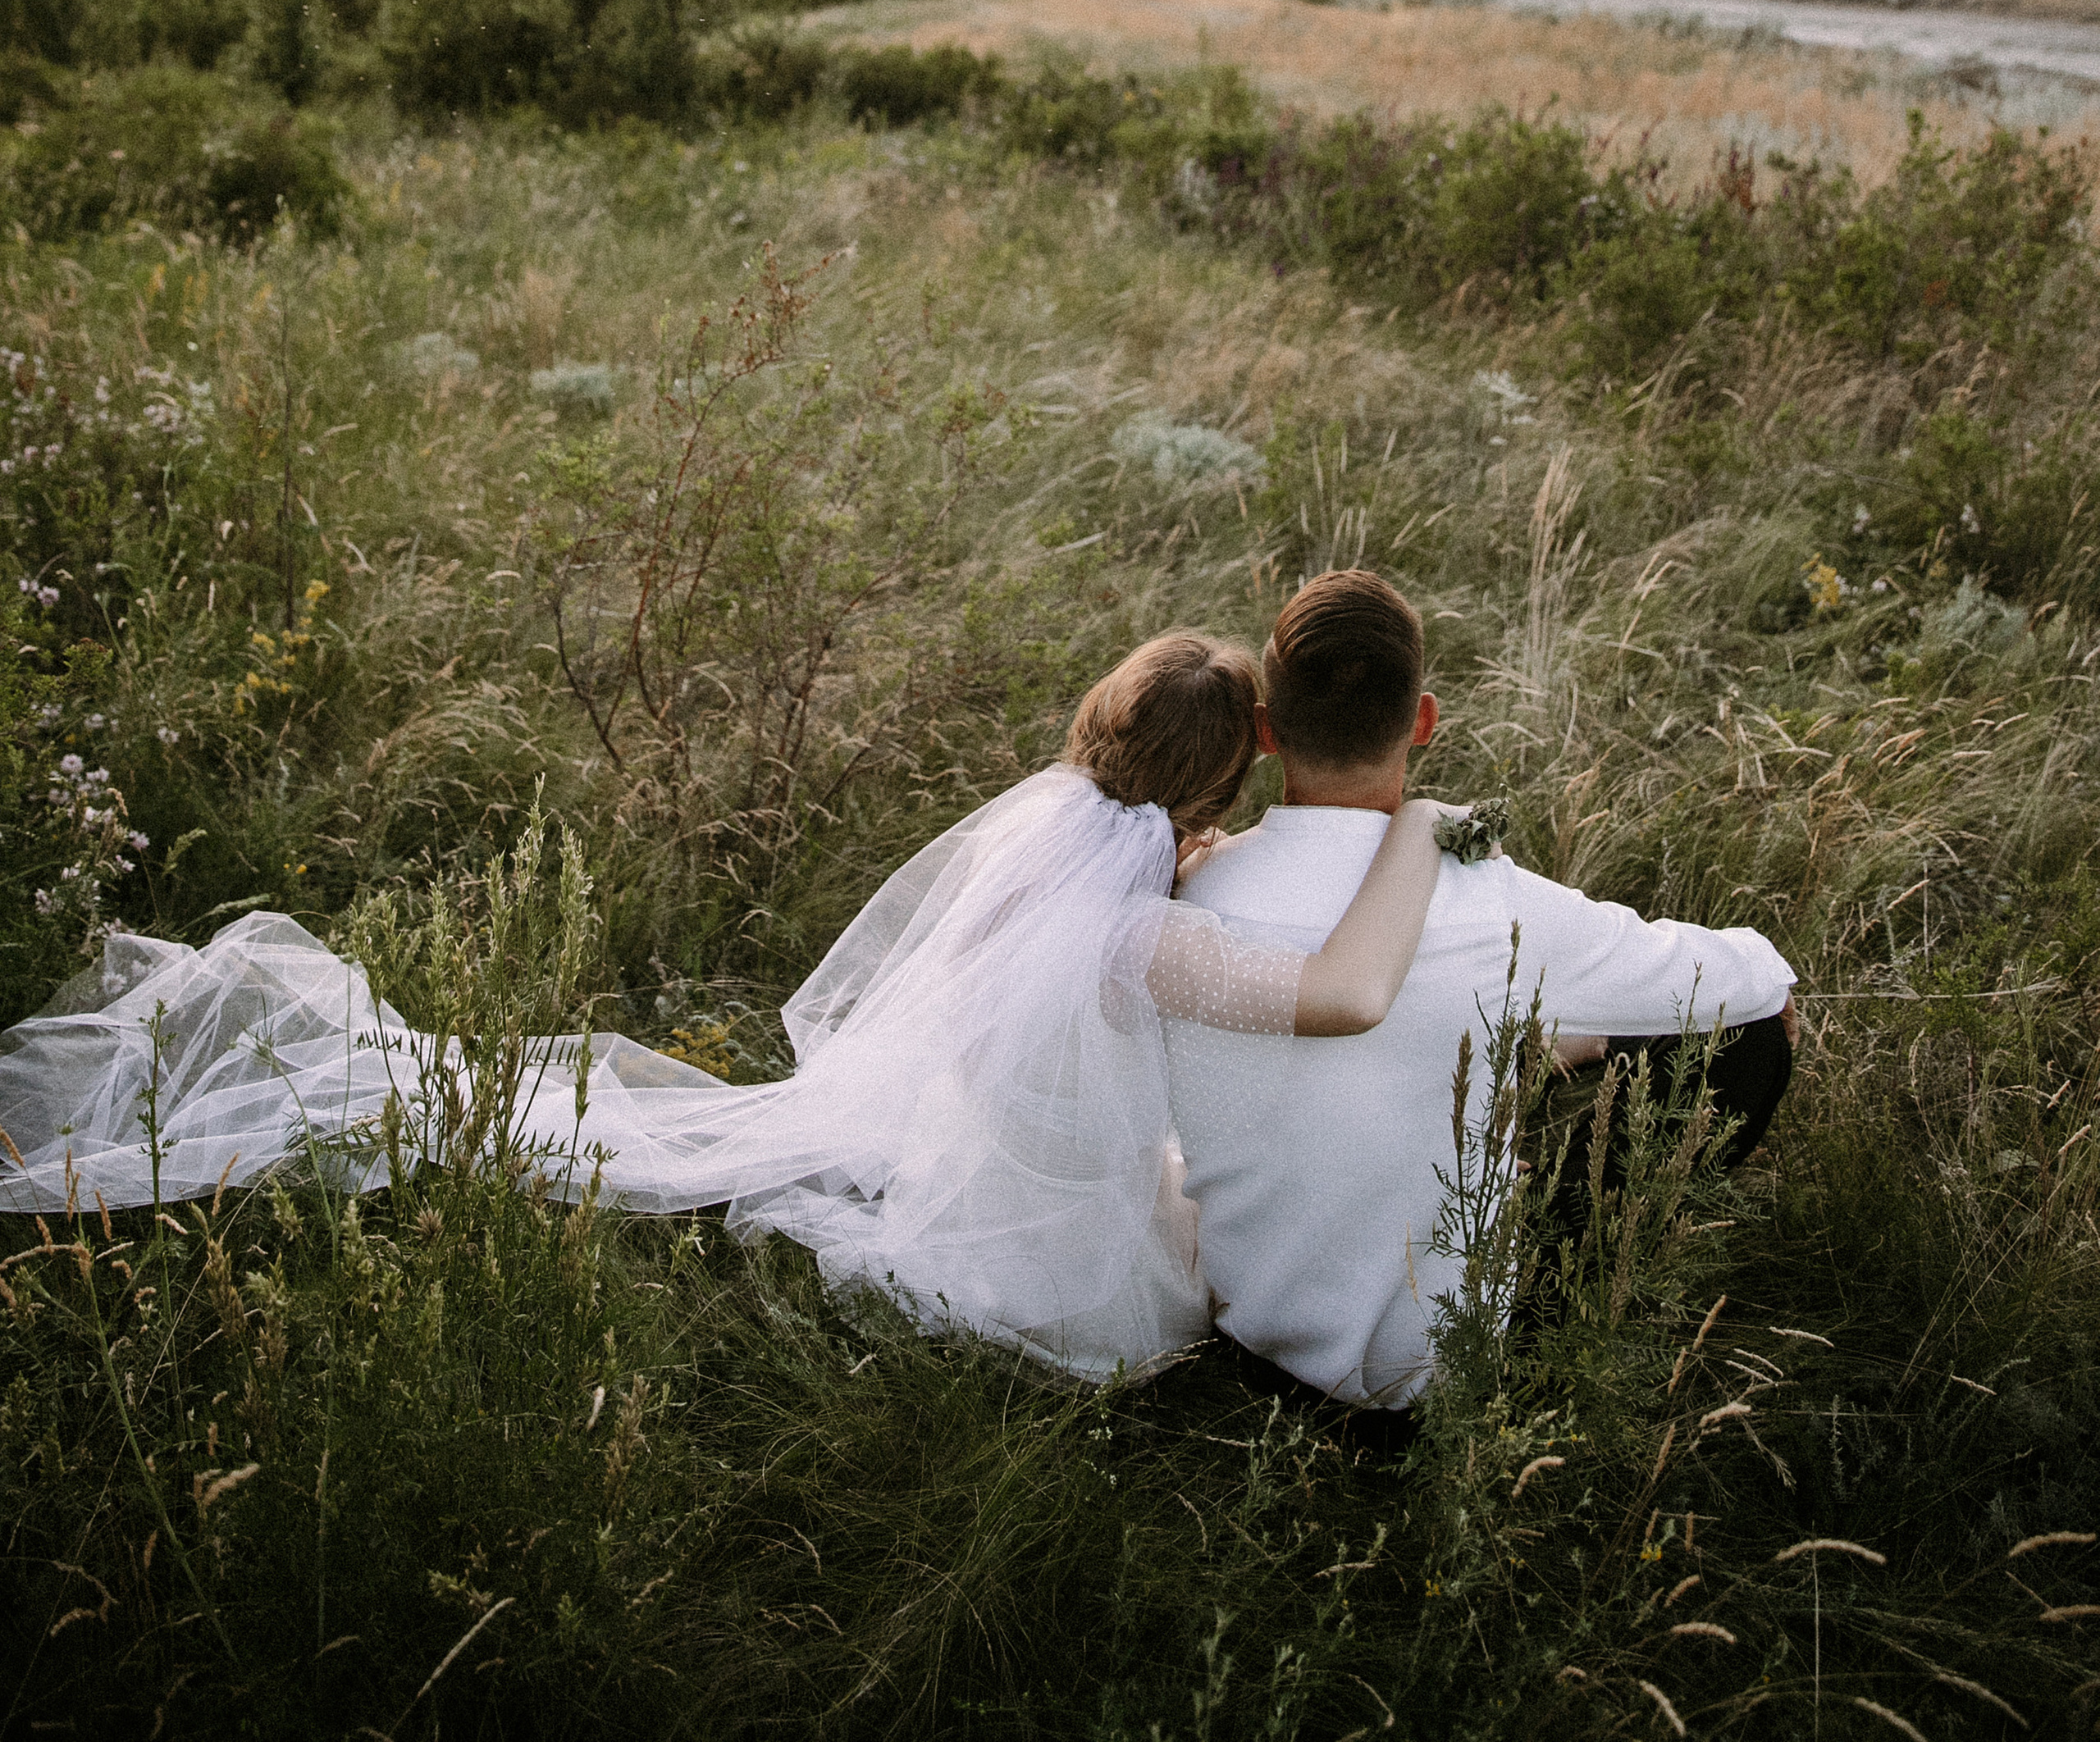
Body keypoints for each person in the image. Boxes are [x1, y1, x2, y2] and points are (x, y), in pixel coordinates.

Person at [0, 628, 1445, 1381]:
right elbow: (1331, 996)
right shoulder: (1146, 929)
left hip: (972, 1141)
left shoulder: (1050, 833)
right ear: (1213, 789)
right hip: (1067, 1278)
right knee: (1216, 1220)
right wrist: (1414, 837)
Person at [1170, 570, 1796, 1414]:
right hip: (1437, 1376)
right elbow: (1744, 985)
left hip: (1246, 1337)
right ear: (1423, 721)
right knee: (1756, 1034)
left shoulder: (1187, 890)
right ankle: (1571, 1260)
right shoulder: (1487, 899)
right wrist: (1754, 967)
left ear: (1265, 732)